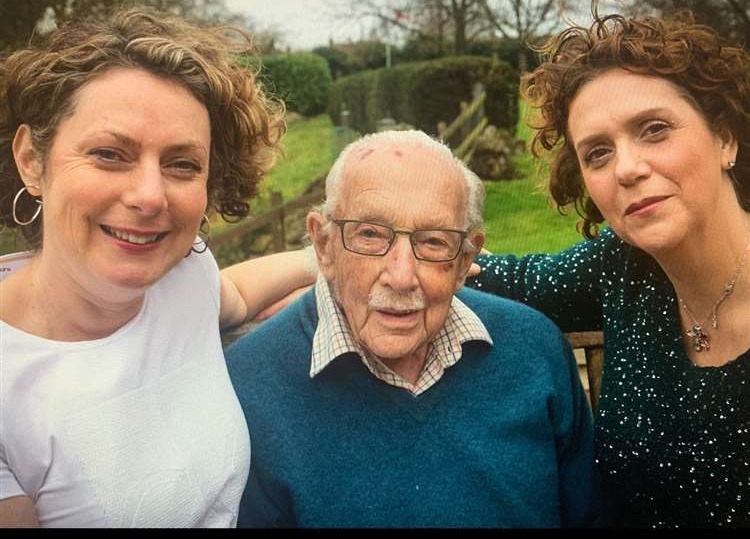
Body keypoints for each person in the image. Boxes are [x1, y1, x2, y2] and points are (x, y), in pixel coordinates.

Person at [0, 7, 315, 527]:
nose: (150, 196)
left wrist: (330, 259)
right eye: (109, 154)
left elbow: (233, 291)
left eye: (182, 164)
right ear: (33, 160)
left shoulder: (183, 278)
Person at [225, 130, 602, 528]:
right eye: (369, 235)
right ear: (323, 246)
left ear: (465, 260)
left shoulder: (534, 350)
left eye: (434, 242)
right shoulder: (248, 384)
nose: (401, 276)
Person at [465, 6, 750, 528]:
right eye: (597, 153)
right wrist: (327, 260)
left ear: (725, 138)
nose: (627, 168)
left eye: (655, 129)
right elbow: (489, 274)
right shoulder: (621, 269)